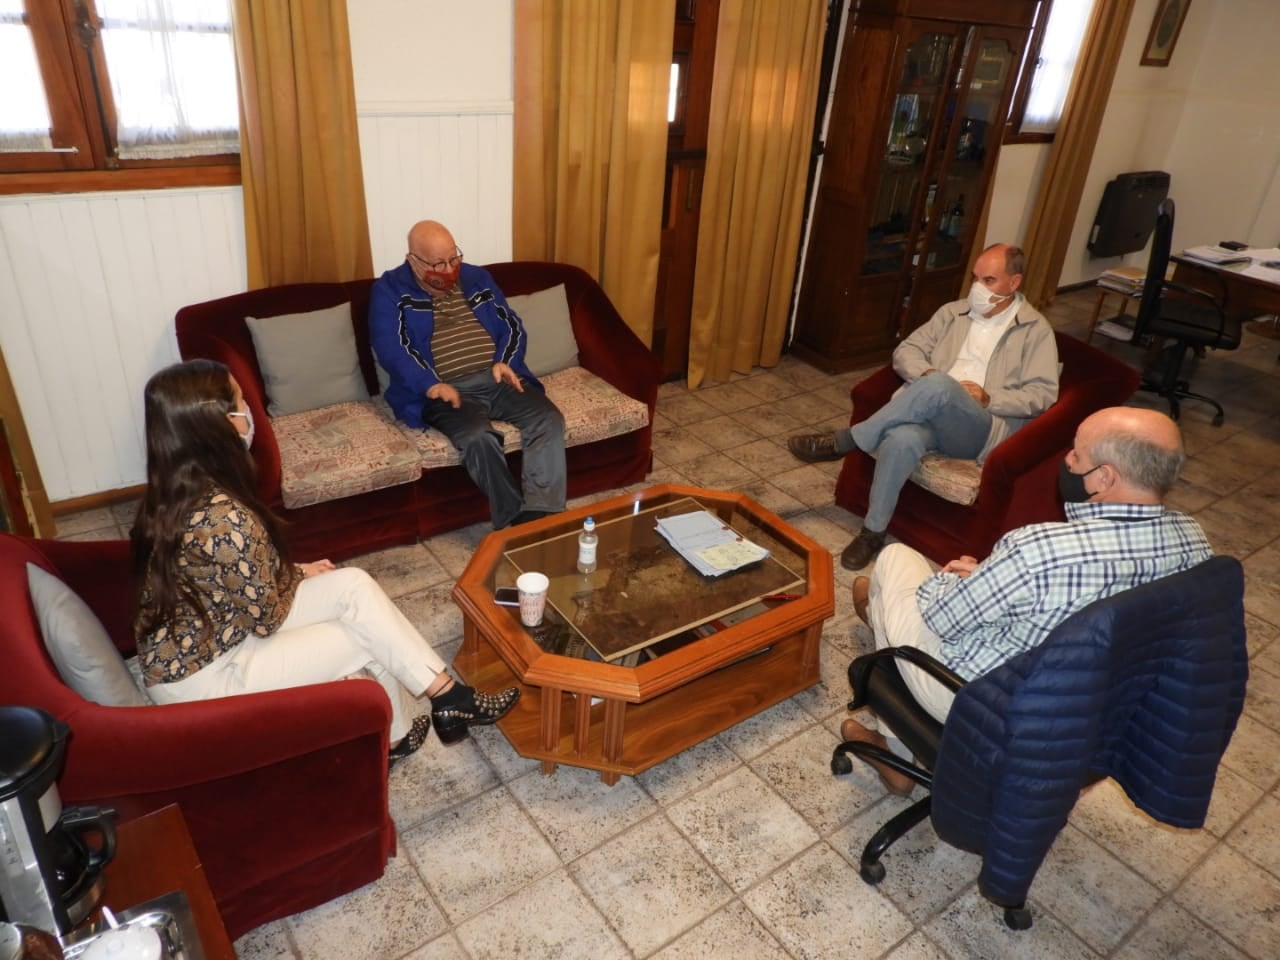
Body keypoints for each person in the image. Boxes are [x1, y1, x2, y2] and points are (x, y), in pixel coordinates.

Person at [131, 359, 520, 766]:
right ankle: (426, 717)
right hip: (204, 676)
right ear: (219, 423)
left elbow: (230, 575)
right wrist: (293, 579)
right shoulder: (221, 517)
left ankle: (430, 711)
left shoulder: (178, 485)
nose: (250, 410)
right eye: (241, 401)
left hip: (222, 628)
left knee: (352, 585)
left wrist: (296, 572)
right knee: (362, 636)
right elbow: (266, 619)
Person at [842, 406, 1213, 795]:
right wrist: (994, 577)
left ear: (1104, 477)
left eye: (1076, 454)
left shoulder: (1041, 549)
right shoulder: (1195, 544)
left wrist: (953, 577)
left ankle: (895, 752)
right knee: (902, 596)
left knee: (896, 561)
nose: (1067, 462)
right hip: (1084, 715)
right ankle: (883, 612)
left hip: (979, 701)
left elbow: (941, 617)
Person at [788, 244, 1059, 570]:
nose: (977, 288)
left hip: (981, 425)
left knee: (941, 385)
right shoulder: (953, 312)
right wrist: (928, 376)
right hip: (933, 409)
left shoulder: (1035, 330)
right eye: (975, 278)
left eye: (989, 280)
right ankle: (873, 532)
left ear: (1014, 283)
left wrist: (990, 398)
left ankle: (847, 441)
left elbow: (1043, 394)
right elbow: (906, 351)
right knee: (903, 438)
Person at [368, 220, 566, 529]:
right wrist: (430, 384)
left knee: (548, 419)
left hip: (497, 378)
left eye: (453, 259)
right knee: (477, 437)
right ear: (413, 260)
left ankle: (542, 513)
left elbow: (511, 325)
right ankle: (513, 520)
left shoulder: (477, 278)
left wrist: (505, 361)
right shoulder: (390, 290)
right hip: (447, 391)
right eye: (438, 263)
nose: (449, 270)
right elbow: (390, 347)